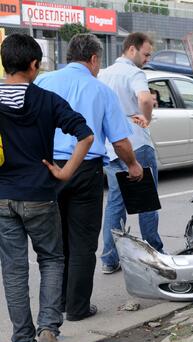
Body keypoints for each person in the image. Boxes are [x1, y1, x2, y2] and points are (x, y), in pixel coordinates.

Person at [35, 34, 143, 323]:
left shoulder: (43, 82)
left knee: (54, 241)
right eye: (99, 63)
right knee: (83, 241)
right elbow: (120, 143)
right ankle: (77, 307)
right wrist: (133, 165)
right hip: (85, 169)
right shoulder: (100, 91)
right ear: (93, 59)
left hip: (47, 168)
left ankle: (54, 304)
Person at [0, 34, 94, 342]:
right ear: (34, 65)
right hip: (40, 194)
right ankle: (48, 331)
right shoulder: (47, 100)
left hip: (2, 198)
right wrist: (66, 171)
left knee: (13, 271)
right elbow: (85, 134)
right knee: (52, 260)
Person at [98, 32, 165, 275]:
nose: (147, 59)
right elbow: (145, 98)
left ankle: (108, 259)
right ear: (132, 49)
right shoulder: (134, 73)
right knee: (146, 202)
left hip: (112, 148)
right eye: (146, 54)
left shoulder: (104, 74)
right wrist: (146, 118)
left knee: (115, 204)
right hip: (137, 146)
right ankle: (154, 254)